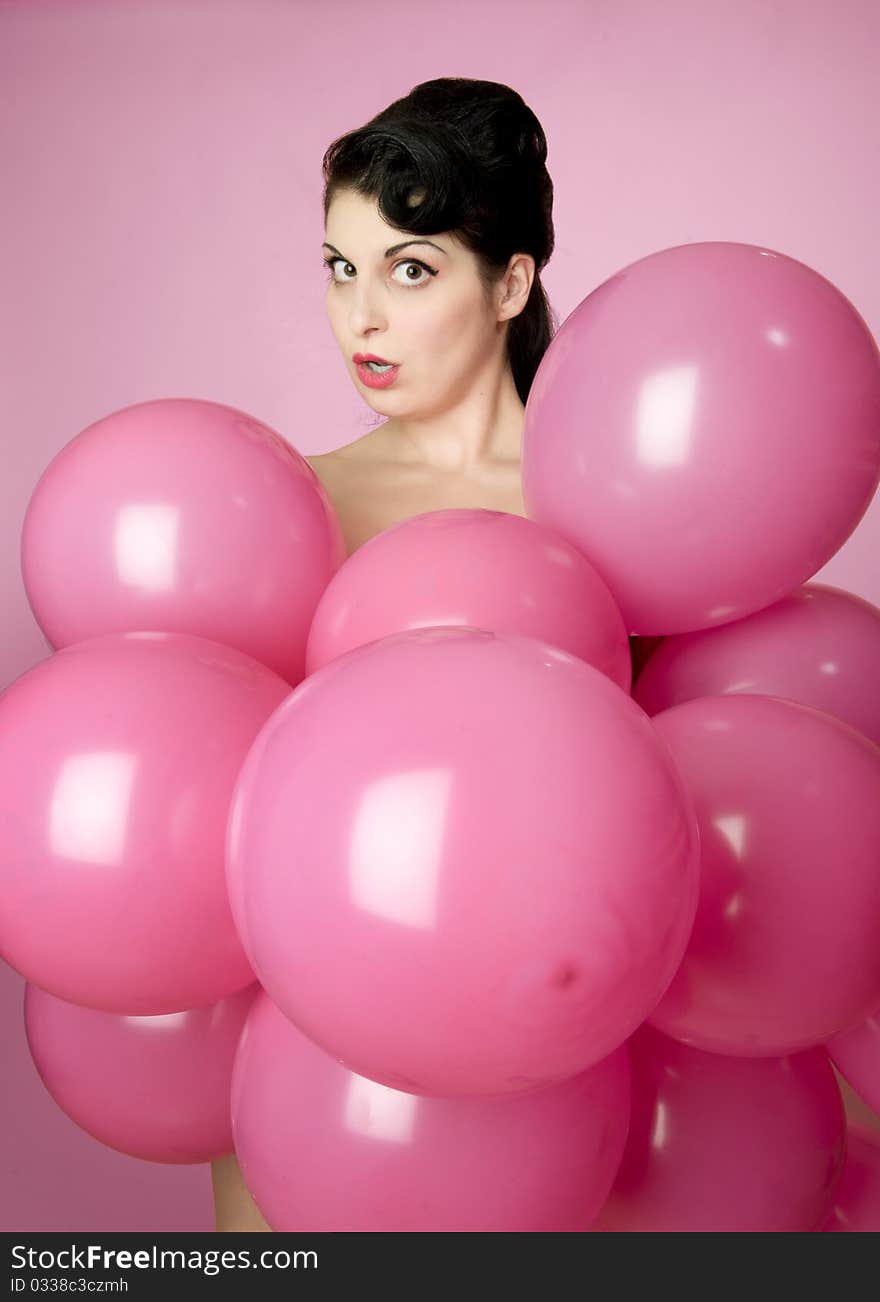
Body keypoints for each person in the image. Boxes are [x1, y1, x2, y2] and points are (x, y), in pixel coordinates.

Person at [210, 74, 559, 1232]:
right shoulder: (296, 507)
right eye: (339, 266)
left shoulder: (603, 517)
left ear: (509, 283)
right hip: (321, 1074)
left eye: (409, 269)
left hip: (550, 1059)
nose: (359, 315)